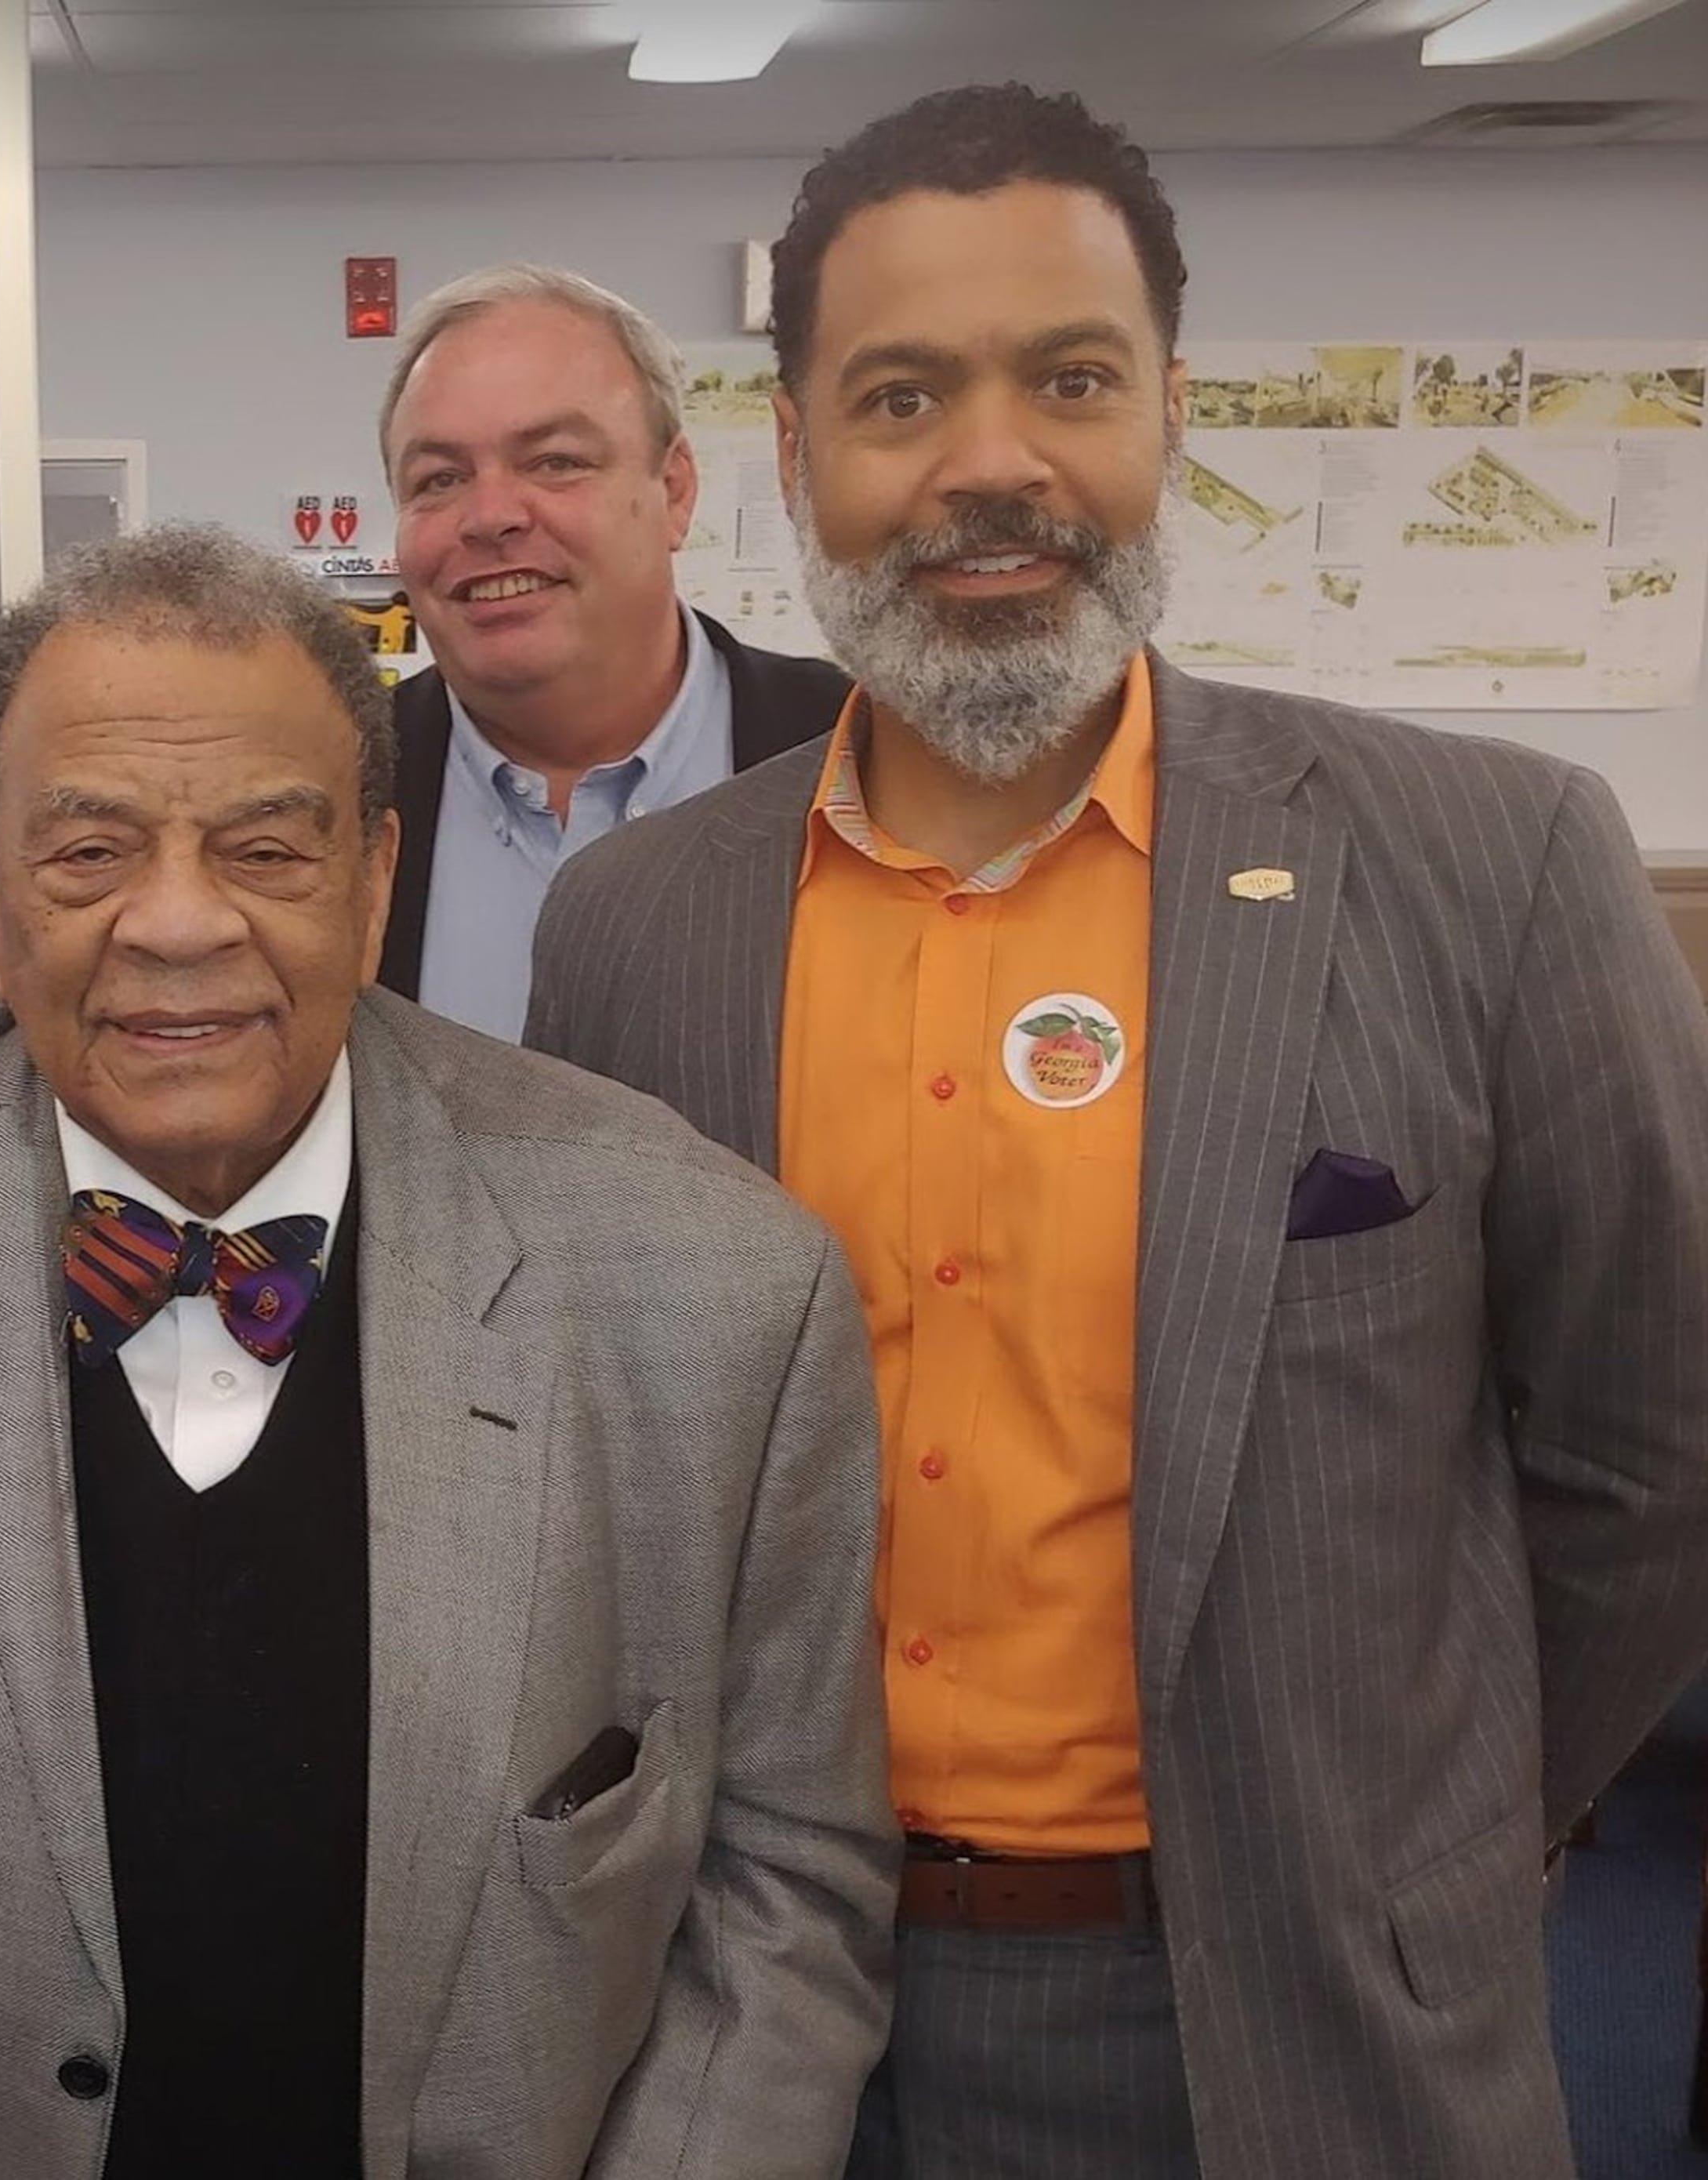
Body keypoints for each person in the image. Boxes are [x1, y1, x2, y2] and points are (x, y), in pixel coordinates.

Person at [528, 83, 1708, 2180]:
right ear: (796, 457)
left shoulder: (1494, 862)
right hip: (773, 2007)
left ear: (1171, 408)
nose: (993, 463)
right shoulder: (637, 927)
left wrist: (1438, 1815)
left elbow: (1652, 1444)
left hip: (1303, 2014)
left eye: (1068, 379)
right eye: (901, 395)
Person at [0, 522, 896, 2178]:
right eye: (89, 855)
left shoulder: (715, 1281)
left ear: (374, 884)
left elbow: (786, 1899)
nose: (180, 923)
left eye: (268, 851)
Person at [375, 264, 850, 1039]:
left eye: (555, 461)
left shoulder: (860, 755)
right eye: (439, 479)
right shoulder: (336, 784)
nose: (490, 515)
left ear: (675, 490)